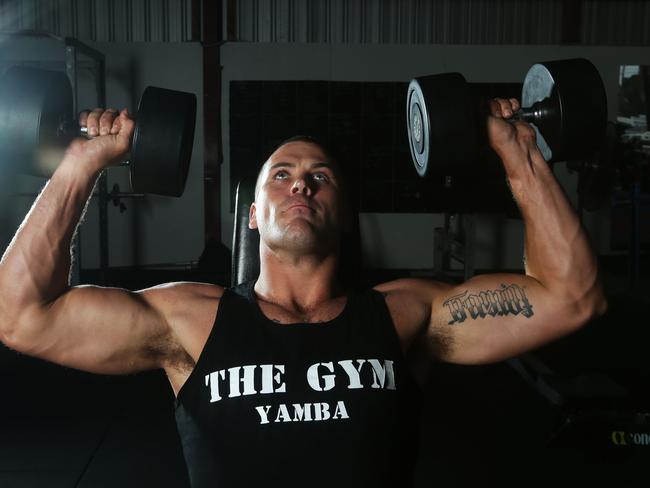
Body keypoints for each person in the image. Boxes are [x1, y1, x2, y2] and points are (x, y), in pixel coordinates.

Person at [0, 98, 606, 487]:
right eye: (281, 176)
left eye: (321, 177)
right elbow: (20, 314)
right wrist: (80, 163)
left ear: (344, 214)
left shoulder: (404, 315)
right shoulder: (190, 321)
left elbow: (572, 296)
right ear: (254, 215)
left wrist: (519, 154)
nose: (302, 186)